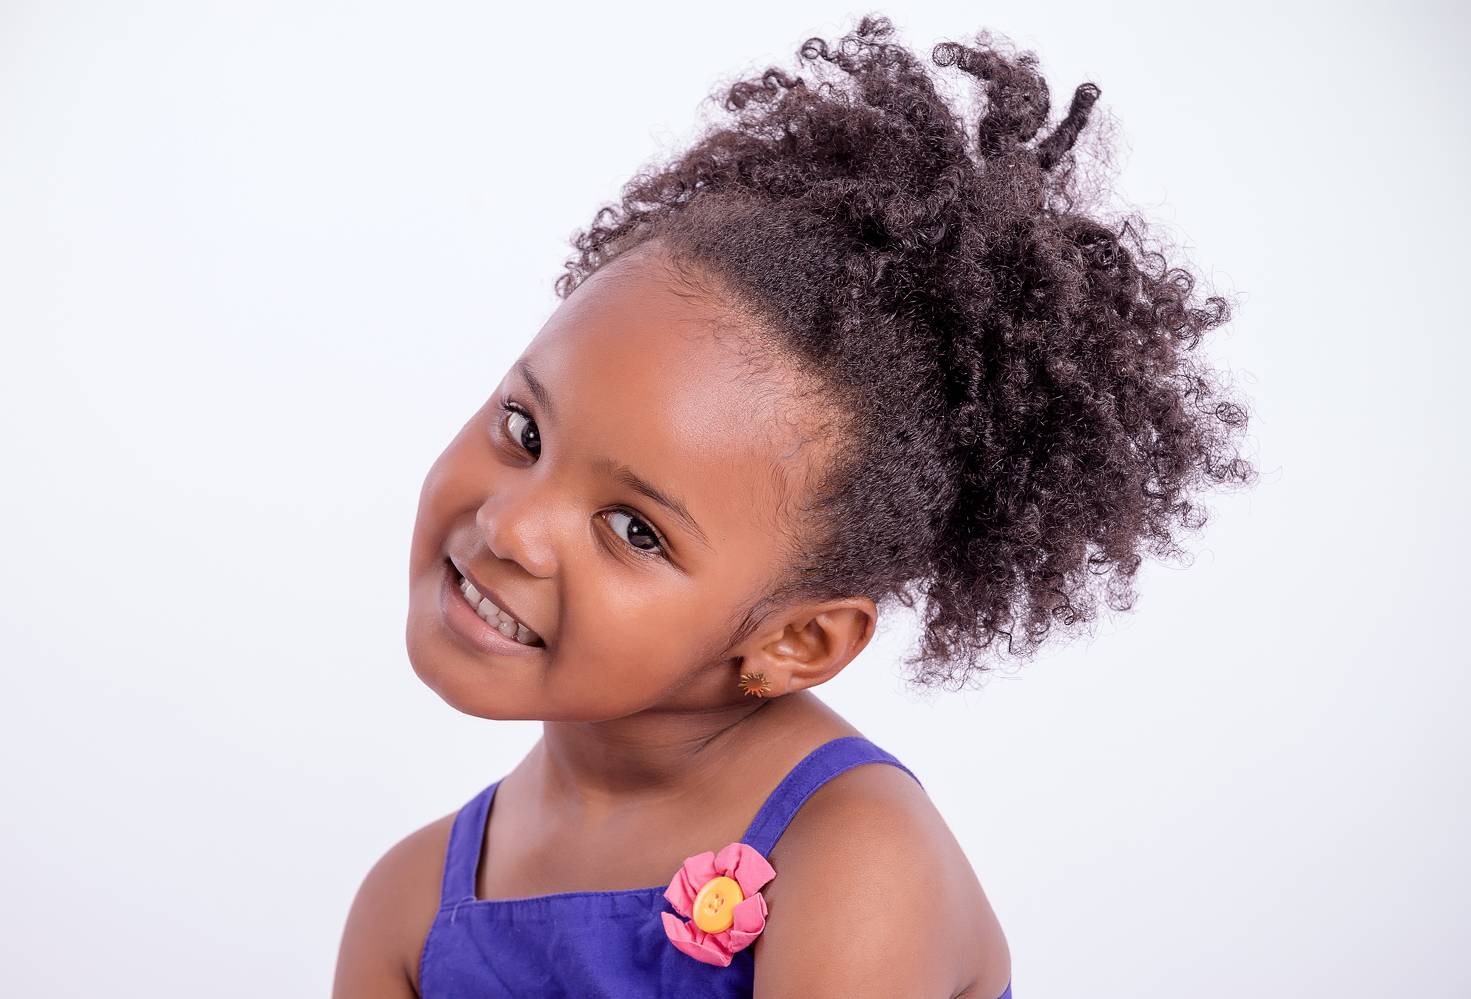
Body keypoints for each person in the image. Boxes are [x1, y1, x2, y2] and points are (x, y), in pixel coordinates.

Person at [333, 13, 1255, 998]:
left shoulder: (854, 862)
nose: (511, 526)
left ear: (798, 641)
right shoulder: (408, 905)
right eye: (524, 431)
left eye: (635, 529)